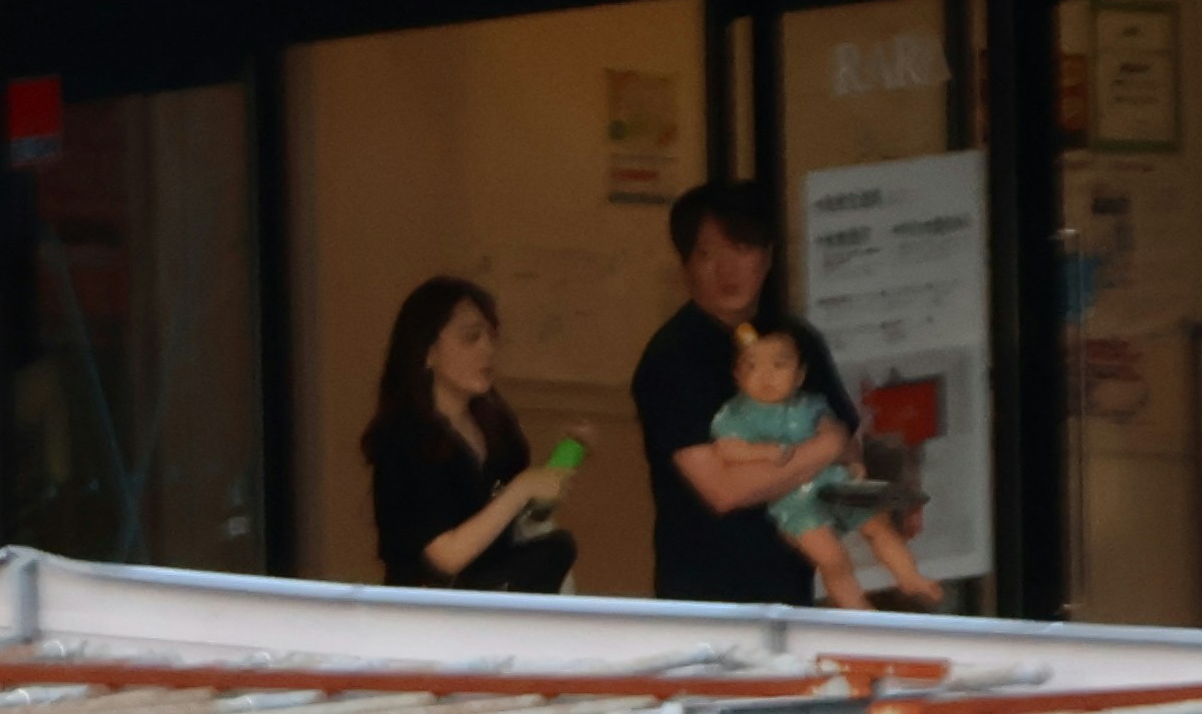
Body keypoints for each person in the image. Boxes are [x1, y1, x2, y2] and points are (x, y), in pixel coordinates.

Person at [630, 181, 860, 606]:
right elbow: (724, 490)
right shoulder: (672, 358)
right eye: (707, 254)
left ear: (768, 257)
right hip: (705, 588)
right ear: (685, 266)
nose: (727, 270)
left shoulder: (797, 341)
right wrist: (823, 446)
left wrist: (831, 450)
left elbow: (851, 450)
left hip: (795, 579)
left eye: (742, 250)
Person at [360, 276, 583, 593]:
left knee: (559, 547)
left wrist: (547, 484)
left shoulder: (497, 427)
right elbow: (445, 557)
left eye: (491, 338)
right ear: (428, 352)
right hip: (432, 613)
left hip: (498, 595)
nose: (487, 350)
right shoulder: (404, 440)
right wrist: (520, 490)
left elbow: (518, 521)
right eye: (471, 338)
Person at [721, 319, 930, 609]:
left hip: (835, 482)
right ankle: (856, 609)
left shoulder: (812, 405)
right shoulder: (737, 416)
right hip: (795, 503)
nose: (765, 376)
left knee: (878, 525)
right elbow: (728, 449)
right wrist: (763, 453)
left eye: (778, 366)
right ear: (737, 376)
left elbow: (838, 438)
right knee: (832, 558)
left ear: (799, 376)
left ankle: (909, 575)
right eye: (752, 367)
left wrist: (852, 460)